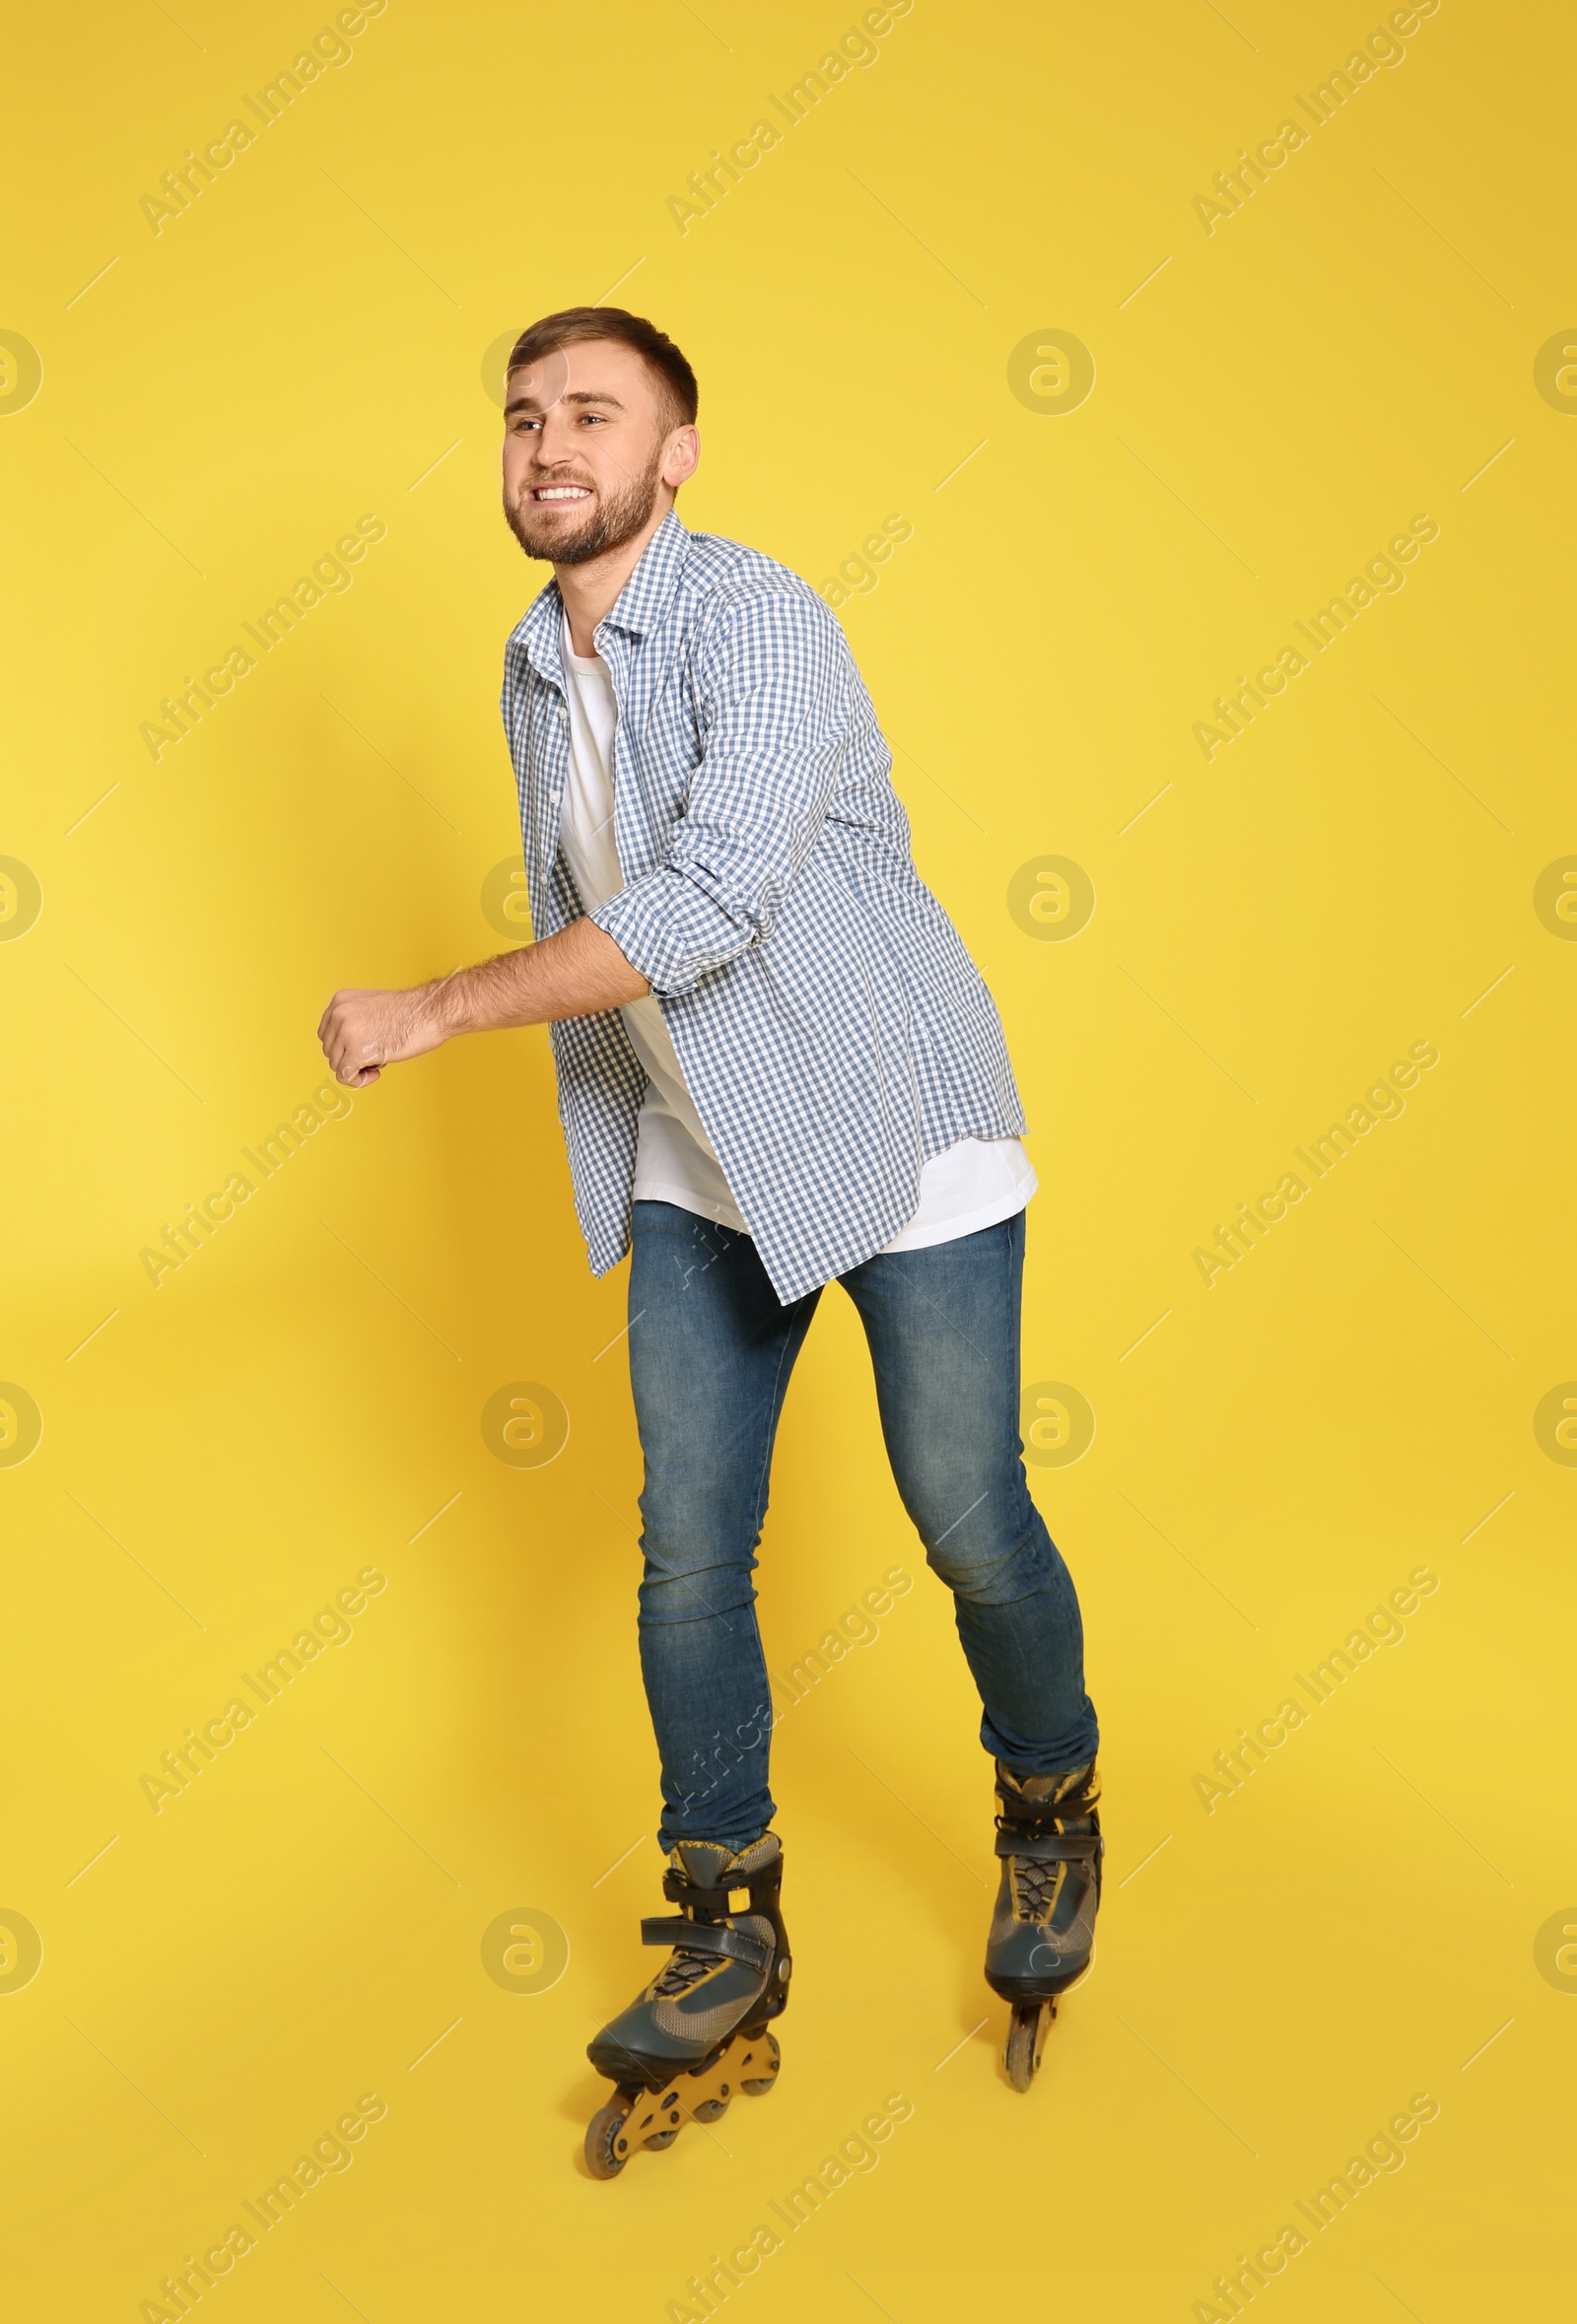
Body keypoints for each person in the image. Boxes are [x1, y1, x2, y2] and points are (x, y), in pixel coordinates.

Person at [316, 307, 1102, 2161]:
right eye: (522, 417)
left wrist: (432, 1010)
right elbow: (624, 939)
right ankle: (725, 1914)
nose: (546, 446)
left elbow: (711, 898)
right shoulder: (529, 656)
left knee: (965, 1509)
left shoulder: (761, 619)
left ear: (677, 456)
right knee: (687, 1547)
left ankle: (1050, 1800)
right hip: (702, 1135)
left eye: (593, 413)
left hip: (893, 1125)